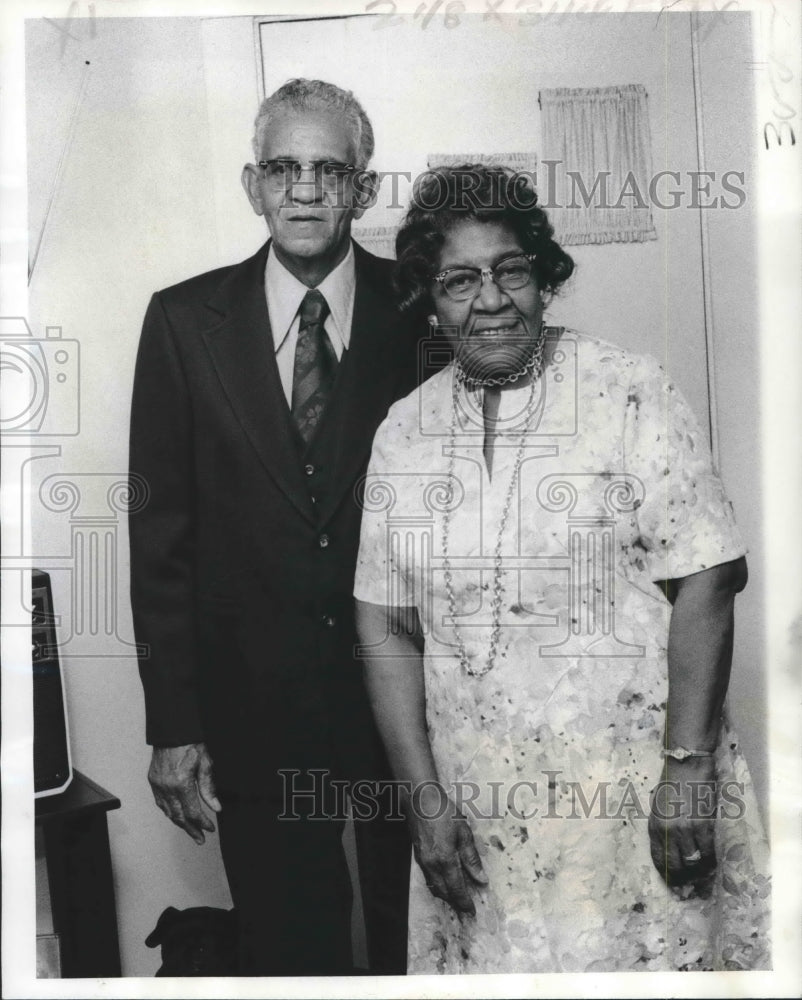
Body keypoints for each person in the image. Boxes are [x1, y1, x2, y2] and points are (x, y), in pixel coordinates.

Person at [354, 164, 771, 973]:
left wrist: (685, 771)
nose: (490, 299)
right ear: (429, 299)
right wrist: (423, 798)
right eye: (459, 280)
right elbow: (382, 623)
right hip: (482, 813)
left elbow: (709, 575)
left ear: (544, 278)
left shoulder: (627, 388)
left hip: (632, 795)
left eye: (510, 270)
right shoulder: (403, 433)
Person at [128, 79, 414, 976]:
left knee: (420, 931)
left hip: (406, 700)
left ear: (363, 190)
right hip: (251, 708)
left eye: (329, 170)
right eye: (284, 168)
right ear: (253, 184)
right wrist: (172, 725)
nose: (304, 190)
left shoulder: (425, 309)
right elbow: (159, 538)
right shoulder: (183, 321)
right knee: (292, 950)